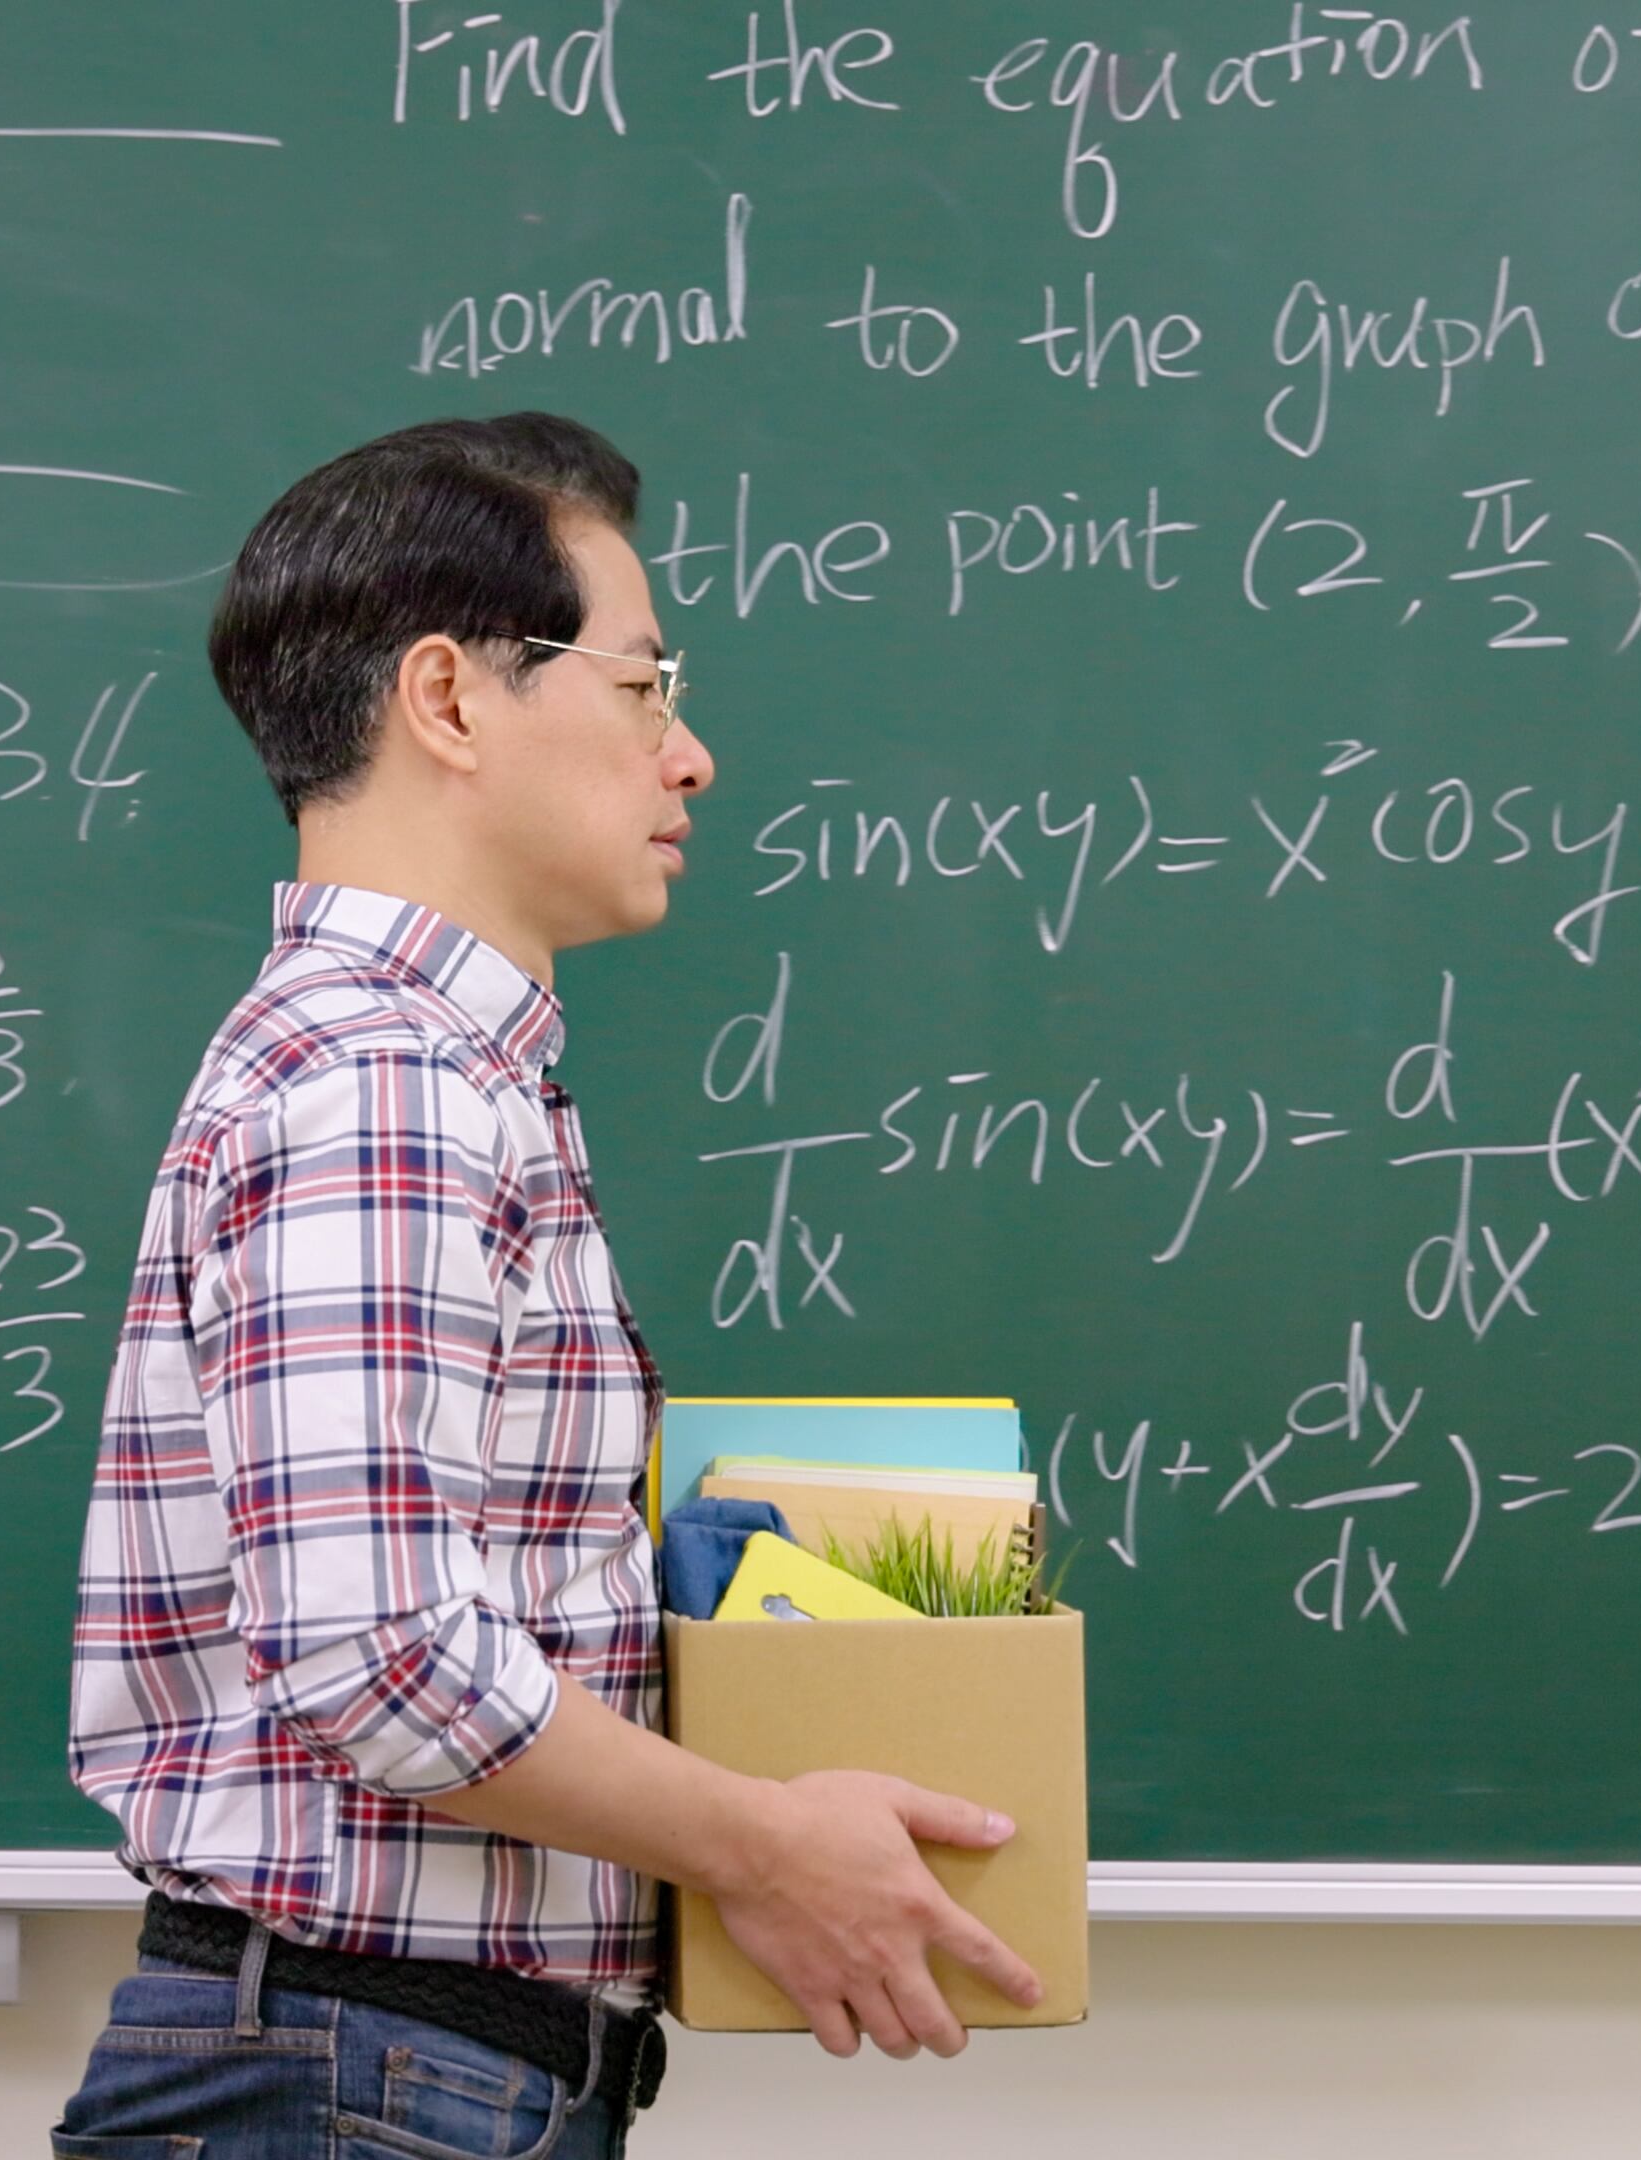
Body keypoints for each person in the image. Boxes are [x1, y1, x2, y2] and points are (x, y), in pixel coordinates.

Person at [56, 413, 1040, 2160]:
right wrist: (764, 1840)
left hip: (381, 2079)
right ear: (449, 701)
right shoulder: (385, 1081)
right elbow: (385, 1655)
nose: (694, 759)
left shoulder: (416, 1068)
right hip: (357, 2085)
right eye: (647, 687)